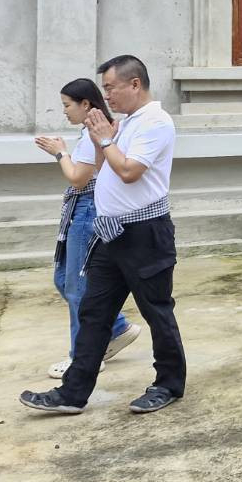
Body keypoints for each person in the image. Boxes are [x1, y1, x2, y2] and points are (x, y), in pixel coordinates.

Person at [20, 55, 185, 416]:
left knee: (156, 310)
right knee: (94, 312)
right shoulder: (126, 123)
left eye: (110, 87)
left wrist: (106, 138)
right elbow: (98, 167)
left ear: (135, 84)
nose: (105, 95)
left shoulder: (155, 122)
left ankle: (168, 384)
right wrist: (100, 138)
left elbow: (128, 172)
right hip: (110, 233)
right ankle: (73, 393)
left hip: (144, 233)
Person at [33, 78, 141, 380]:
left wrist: (59, 153)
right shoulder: (93, 132)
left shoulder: (93, 135)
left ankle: (82, 357)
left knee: (77, 287)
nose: (65, 111)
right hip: (81, 209)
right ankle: (116, 328)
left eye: (68, 105)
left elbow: (78, 178)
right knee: (63, 278)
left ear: (85, 104)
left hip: (87, 210)